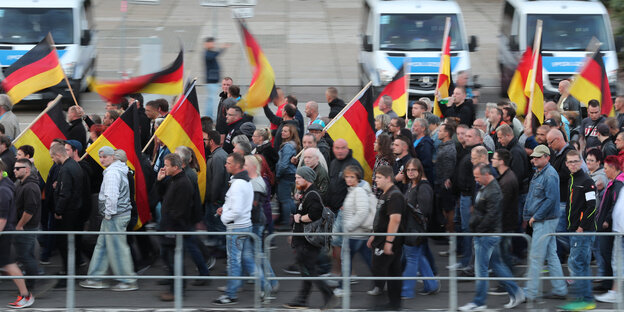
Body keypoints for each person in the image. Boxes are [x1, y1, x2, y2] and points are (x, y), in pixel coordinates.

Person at [459, 163, 524, 311]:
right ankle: (516, 292)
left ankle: (479, 302)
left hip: (487, 235)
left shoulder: (493, 191)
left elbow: (491, 216)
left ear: (486, 175)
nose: (475, 180)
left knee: (482, 269)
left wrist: (477, 230)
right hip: (487, 234)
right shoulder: (488, 187)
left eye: (477, 177)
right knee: (497, 265)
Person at [79, 147, 138, 291]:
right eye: (101, 156)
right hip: (116, 215)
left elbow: (111, 196)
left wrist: (108, 214)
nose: (101, 159)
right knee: (103, 246)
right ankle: (96, 278)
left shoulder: (112, 173)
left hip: (114, 216)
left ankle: (127, 280)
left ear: (113, 157)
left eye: (105, 156)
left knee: (116, 248)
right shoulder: (118, 170)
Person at [284, 166, 337, 310]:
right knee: (306, 270)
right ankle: (302, 300)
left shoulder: (312, 194)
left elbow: (315, 214)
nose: (296, 180)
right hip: (303, 239)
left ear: (306, 179)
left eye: (298, 178)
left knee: (310, 271)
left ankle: (329, 295)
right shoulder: (307, 193)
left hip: (308, 241)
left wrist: (299, 219)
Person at [213, 153, 262, 305]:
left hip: (236, 228)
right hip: (244, 225)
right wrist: (225, 209)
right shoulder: (243, 182)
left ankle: (231, 294)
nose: (225, 165)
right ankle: (266, 286)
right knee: (247, 259)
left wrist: (224, 217)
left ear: (236, 166)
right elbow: (235, 205)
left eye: (228, 163)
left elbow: (237, 209)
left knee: (234, 261)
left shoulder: (238, 184)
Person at [524, 145, 567, 301]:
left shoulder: (549, 174)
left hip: (544, 220)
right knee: (551, 255)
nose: (534, 159)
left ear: (547, 157)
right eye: (533, 157)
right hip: (546, 219)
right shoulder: (543, 172)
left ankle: (531, 292)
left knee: (536, 257)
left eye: (537, 157)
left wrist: (535, 216)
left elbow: (551, 200)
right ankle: (560, 289)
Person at [558, 150, 597, 311]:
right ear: (566, 164)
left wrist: (581, 227)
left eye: (576, 161)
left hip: (582, 231)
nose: (573, 164)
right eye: (570, 162)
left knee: (577, 264)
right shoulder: (572, 180)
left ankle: (585, 299)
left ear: (580, 162)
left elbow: (592, 207)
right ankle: (584, 299)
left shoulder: (586, 181)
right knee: (580, 265)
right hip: (574, 229)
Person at [153, 153, 194, 301]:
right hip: (168, 226)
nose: (164, 168)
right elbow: (160, 196)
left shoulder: (183, 184)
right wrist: (159, 181)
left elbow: (180, 210)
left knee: (174, 259)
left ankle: (177, 289)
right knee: (167, 256)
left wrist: (169, 227)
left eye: (167, 165)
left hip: (174, 228)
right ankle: (172, 281)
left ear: (175, 167)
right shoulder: (172, 180)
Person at [332, 165, 374, 297]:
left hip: (355, 233)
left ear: (358, 178)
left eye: (352, 177)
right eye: (347, 177)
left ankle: (342, 287)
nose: (349, 179)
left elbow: (362, 212)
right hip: (357, 234)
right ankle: (383, 280)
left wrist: (349, 226)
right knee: (369, 261)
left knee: (346, 260)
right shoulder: (353, 190)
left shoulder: (358, 191)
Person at [367, 165, 404, 310]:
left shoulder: (394, 195)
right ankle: (394, 304)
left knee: (381, 268)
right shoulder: (385, 193)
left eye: (379, 177)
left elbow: (395, 219)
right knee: (392, 270)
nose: (376, 180)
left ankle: (393, 303)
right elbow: (380, 218)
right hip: (381, 238)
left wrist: (389, 241)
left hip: (389, 240)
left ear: (389, 178)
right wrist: (373, 235)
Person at [401, 159, 439, 298]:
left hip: (416, 230)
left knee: (412, 258)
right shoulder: (411, 185)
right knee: (419, 257)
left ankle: (406, 290)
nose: (410, 172)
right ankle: (431, 285)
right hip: (411, 229)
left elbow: (425, 210)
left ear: (419, 171)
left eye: (413, 170)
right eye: (408, 170)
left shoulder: (423, 187)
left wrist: (406, 208)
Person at [0, 159, 34, 308]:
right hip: (6, 231)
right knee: (8, 264)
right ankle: (25, 295)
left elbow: (2, 219)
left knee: (8, 264)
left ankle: (26, 295)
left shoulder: (3, 190)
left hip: (4, 233)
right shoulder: (6, 183)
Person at [49, 143, 84, 279]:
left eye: (52, 157)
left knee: (64, 243)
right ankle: (71, 270)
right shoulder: (74, 165)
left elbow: (65, 193)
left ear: (58, 155)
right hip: (75, 209)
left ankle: (67, 272)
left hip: (67, 212)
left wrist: (58, 211)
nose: (52, 160)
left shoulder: (65, 169)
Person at [595, 156, 624, 303]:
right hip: (613, 228)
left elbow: (615, 205)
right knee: (611, 257)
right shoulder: (614, 183)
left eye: (606, 168)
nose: (604, 172)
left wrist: (606, 220)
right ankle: (611, 286)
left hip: (613, 229)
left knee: (612, 257)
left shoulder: (618, 184)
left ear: (613, 168)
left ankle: (613, 288)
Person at [12, 158, 42, 292]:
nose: (15, 170)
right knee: (25, 255)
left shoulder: (30, 187)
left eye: (18, 168)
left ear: (27, 169)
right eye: (14, 168)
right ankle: (29, 283)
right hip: (24, 226)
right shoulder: (21, 183)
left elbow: (29, 211)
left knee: (25, 256)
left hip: (27, 227)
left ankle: (30, 286)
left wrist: (19, 225)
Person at [491, 149, 518, 270]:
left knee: (504, 252)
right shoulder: (505, 177)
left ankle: (507, 278)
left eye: (494, 158)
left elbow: (503, 204)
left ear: (501, 161)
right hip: (505, 221)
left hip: (505, 223)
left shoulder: (507, 180)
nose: (492, 160)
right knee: (503, 251)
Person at [275, 124, 300, 226]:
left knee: (285, 200)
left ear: (291, 133)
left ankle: (287, 221)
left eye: (285, 131)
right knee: (286, 199)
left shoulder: (288, 146)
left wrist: (278, 175)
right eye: (282, 130)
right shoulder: (290, 145)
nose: (282, 132)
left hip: (285, 175)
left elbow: (284, 164)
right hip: (288, 174)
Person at [435, 123, 456, 232]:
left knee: (448, 210)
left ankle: (450, 236)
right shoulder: (443, 146)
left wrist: (445, 183)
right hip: (440, 182)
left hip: (444, 185)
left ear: (446, 133)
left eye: (440, 131)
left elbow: (449, 169)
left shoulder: (449, 149)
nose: (438, 133)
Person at [203, 37, 230, 118]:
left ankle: (209, 116)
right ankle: (211, 117)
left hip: (213, 80)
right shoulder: (207, 53)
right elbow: (213, 55)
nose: (213, 44)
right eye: (211, 42)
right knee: (212, 100)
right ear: (207, 44)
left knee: (211, 100)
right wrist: (222, 48)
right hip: (211, 81)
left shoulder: (209, 52)